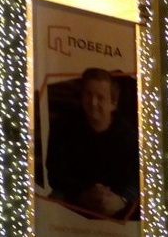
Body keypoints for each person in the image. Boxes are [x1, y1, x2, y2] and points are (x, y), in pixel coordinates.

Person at [45, 67, 139, 219]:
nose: (93, 102)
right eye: (88, 94)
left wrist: (121, 199)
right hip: (76, 195)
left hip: (114, 200)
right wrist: (84, 193)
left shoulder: (130, 137)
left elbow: (137, 177)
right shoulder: (64, 126)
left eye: (100, 97)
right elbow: (55, 172)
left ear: (113, 104)